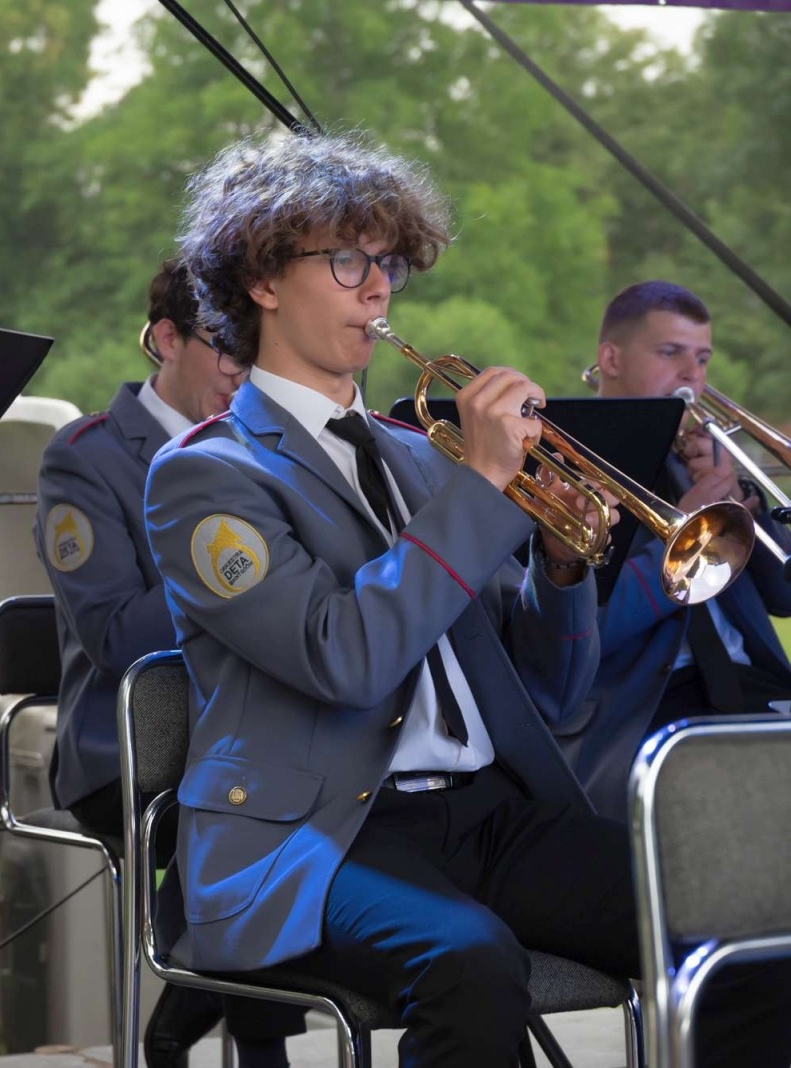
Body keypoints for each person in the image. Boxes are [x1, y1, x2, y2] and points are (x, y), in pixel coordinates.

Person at [145, 133, 791, 1066]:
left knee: (743, 917)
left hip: (486, 813)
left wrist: (563, 570)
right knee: (470, 963)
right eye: (348, 260)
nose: (379, 289)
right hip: (318, 836)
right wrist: (482, 492)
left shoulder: (416, 456)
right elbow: (345, 658)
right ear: (263, 279)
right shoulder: (203, 477)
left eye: (389, 263)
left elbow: (554, 694)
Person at [35, 259, 302, 1067]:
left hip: (254, 735)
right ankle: (250, 1043)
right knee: (266, 805)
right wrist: (230, 566)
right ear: (163, 340)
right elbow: (117, 638)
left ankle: (192, 994)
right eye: (228, 352)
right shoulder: (86, 457)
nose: (246, 374)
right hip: (128, 747)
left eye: (257, 353)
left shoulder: (272, 444)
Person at [560, 280, 791, 815]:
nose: (693, 375)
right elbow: (586, 636)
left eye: (703, 358)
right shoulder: (562, 468)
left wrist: (734, 502)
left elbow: (783, 597)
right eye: (670, 353)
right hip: (644, 707)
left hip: (754, 685)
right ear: (610, 358)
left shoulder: (696, 457)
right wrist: (686, 525)